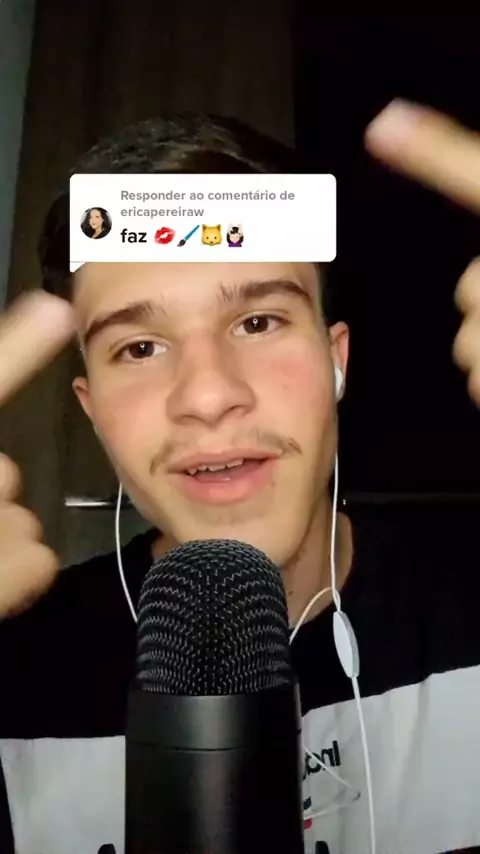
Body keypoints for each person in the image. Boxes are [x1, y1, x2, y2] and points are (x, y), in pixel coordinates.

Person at [0, 101, 479, 854]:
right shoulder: (14, 677)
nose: (208, 394)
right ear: (93, 411)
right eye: (139, 348)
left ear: (336, 360)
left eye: (258, 323)